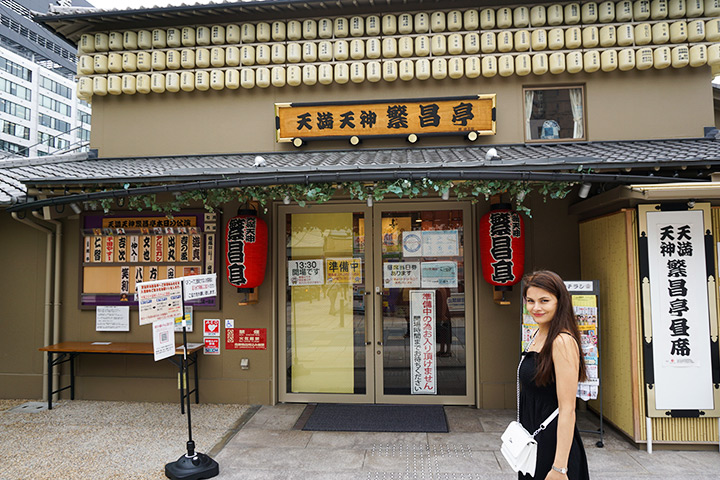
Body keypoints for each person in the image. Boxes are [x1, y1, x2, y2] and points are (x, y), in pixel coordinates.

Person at [519, 271, 589, 480]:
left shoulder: (562, 341)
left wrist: (559, 467)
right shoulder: (538, 333)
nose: (536, 308)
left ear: (560, 301)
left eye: (544, 301)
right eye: (530, 301)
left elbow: (567, 409)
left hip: (553, 445)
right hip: (533, 440)